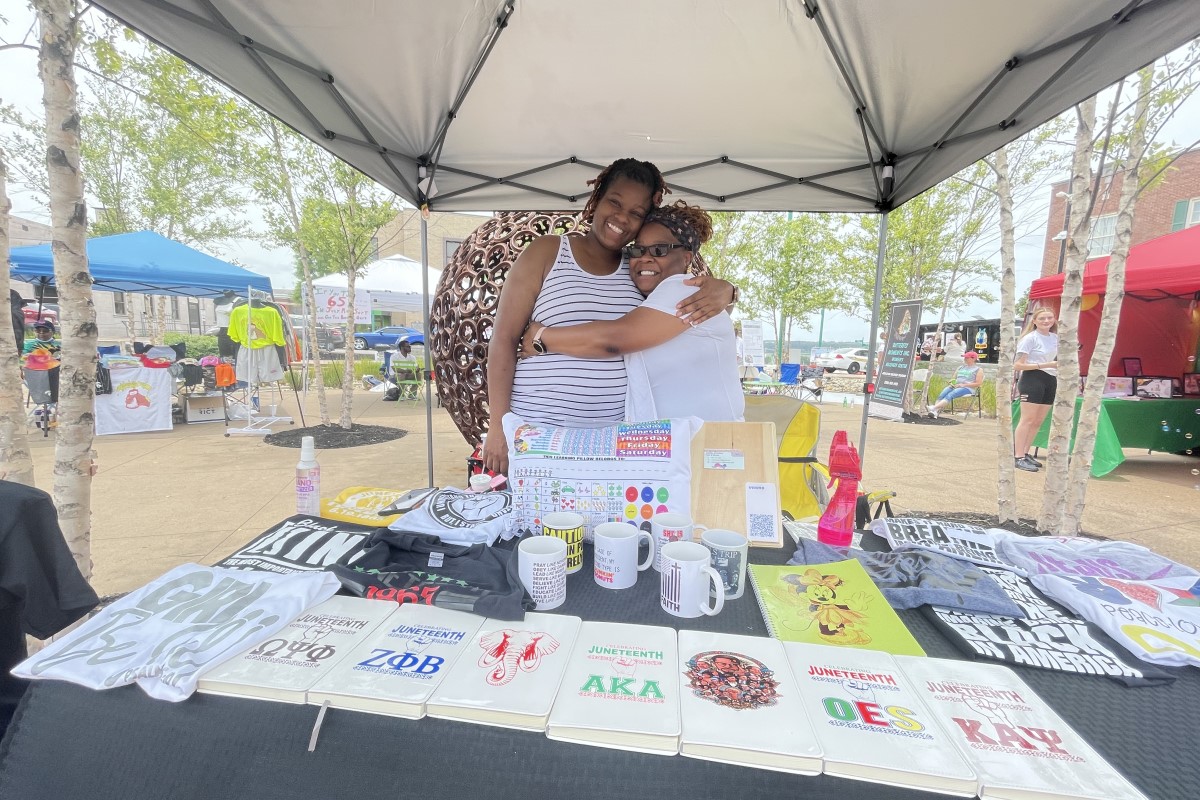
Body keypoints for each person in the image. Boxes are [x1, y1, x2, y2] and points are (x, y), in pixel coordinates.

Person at [483, 159, 734, 474]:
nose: (622, 218)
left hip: (611, 444)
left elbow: (683, 315)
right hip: (536, 430)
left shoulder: (639, 270)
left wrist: (728, 291)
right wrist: (497, 426)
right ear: (596, 198)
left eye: (636, 213)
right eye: (615, 203)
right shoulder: (547, 252)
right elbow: (503, 340)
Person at [519, 201, 743, 423]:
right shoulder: (655, 301)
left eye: (659, 250)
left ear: (686, 258)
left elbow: (614, 339)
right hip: (676, 438)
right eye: (637, 249)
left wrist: (542, 337)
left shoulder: (681, 288)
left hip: (709, 440)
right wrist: (730, 292)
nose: (645, 257)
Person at [1012, 308, 1059, 472]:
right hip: (1032, 379)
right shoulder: (1029, 339)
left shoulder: (1055, 338)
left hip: (1050, 379)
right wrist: (1045, 365)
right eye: (1042, 318)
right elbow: (1018, 365)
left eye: (1049, 318)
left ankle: (1026, 452)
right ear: (1034, 321)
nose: (1046, 321)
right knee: (1027, 419)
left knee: (1038, 420)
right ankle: (1018, 456)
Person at [926, 350, 983, 419]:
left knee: (951, 394)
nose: (965, 359)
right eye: (965, 357)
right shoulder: (960, 367)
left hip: (968, 388)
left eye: (967, 358)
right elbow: (953, 379)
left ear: (973, 359)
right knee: (943, 393)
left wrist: (963, 385)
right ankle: (934, 412)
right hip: (956, 386)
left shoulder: (978, 369)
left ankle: (934, 408)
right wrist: (952, 382)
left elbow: (978, 383)